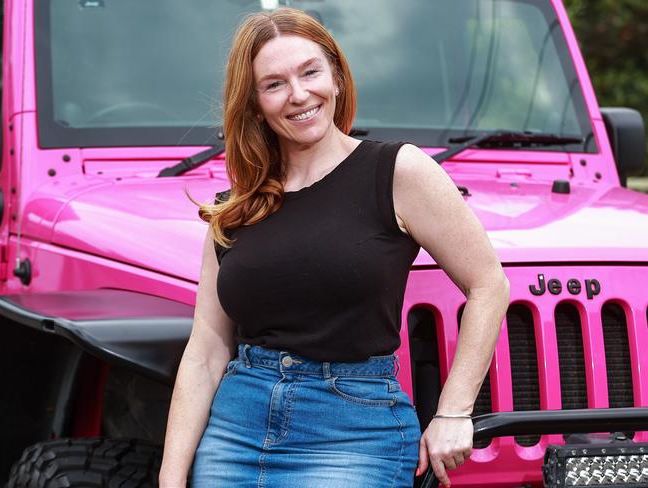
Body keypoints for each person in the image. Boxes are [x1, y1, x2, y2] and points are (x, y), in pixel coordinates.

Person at [159, 7, 509, 488]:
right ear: (255, 102)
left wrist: (454, 412)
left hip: (355, 431)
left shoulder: (397, 171)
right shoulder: (233, 209)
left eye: (310, 72)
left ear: (337, 77)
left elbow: (489, 283)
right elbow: (206, 351)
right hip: (235, 429)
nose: (299, 94)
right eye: (274, 84)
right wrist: (171, 477)